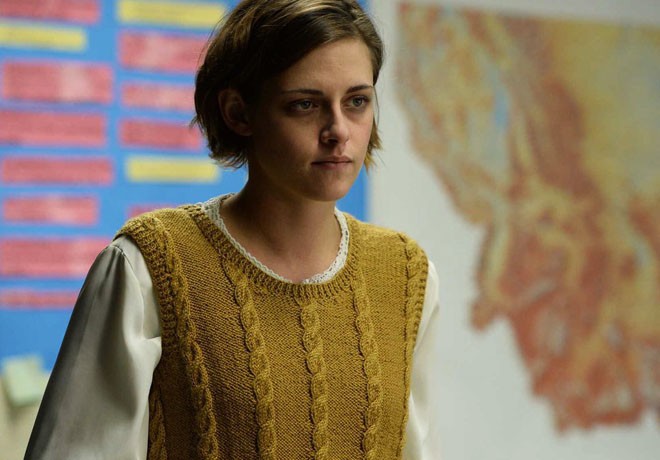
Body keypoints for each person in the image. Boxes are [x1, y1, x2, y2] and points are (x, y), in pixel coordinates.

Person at [25, 0, 440, 458]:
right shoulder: (150, 265)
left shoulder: (404, 274)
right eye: (305, 105)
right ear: (238, 113)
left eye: (357, 101)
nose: (339, 130)